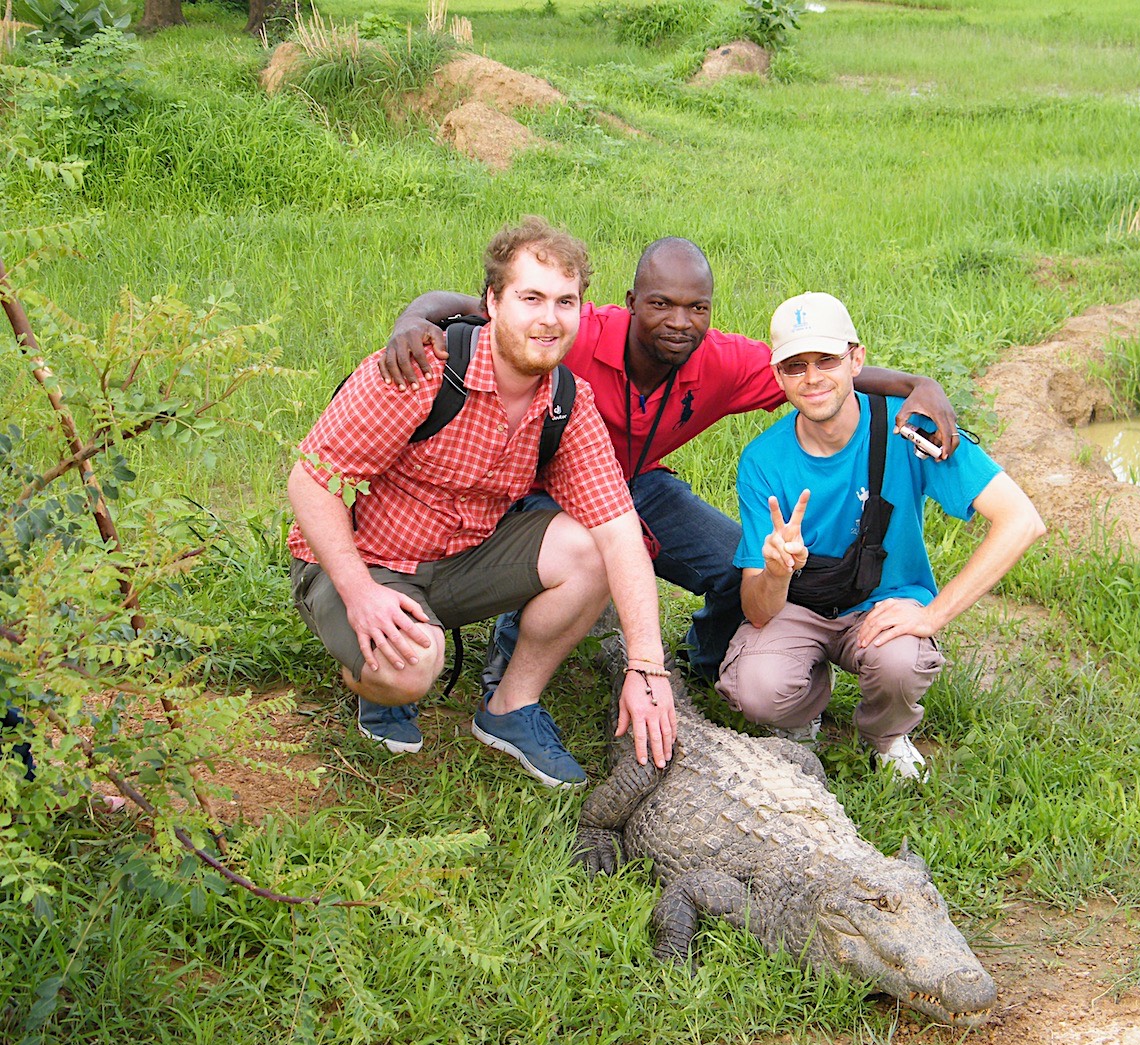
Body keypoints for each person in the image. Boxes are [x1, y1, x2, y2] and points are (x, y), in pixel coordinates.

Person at [379, 237, 963, 695]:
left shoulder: (722, 361)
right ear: (632, 303)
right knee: (584, 546)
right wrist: (412, 318)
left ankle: (709, 664)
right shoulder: (579, 334)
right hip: (542, 491)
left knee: (742, 562)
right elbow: (469, 308)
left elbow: (819, 373)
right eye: (660, 304)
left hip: (640, 485)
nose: (679, 321)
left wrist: (919, 384)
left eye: (696, 307)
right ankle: (509, 679)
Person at [287, 216, 675, 787]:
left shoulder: (567, 403)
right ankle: (374, 684)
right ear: (492, 301)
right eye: (531, 298)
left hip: (457, 564)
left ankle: (510, 709)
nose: (549, 319)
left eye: (565, 302)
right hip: (360, 561)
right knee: (415, 665)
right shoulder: (423, 367)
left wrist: (647, 666)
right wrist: (359, 591)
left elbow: (619, 529)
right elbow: (311, 480)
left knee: (592, 545)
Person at [718, 292, 1045, 779]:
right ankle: (801, 712)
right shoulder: (762, 460)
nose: (812, 379)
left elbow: (1021, 521)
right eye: (795, 366)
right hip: (798, 608)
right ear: (777, 376)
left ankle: (886, 733)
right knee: (757, 690)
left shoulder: (909, 428)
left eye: (827, 360)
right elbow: (757, 610)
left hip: (883, 601)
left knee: (900, 662)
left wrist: (934, 614)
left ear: (857, 359)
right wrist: (774, 571)